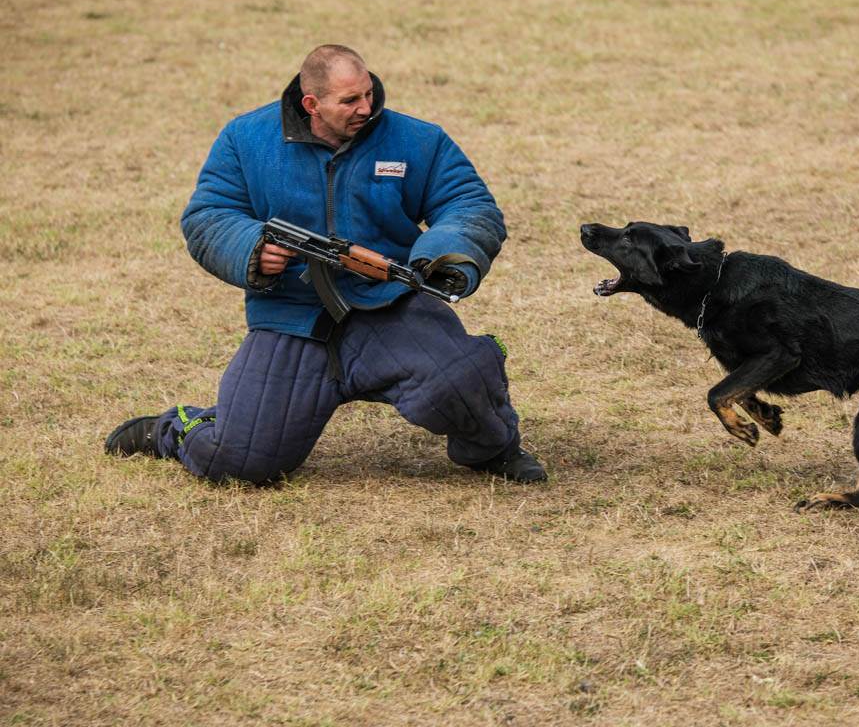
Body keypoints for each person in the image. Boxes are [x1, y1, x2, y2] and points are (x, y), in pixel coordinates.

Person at [104, 45, 546, 484]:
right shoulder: (246, 139)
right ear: (311, 103)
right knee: (240, 464)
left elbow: (468, 204)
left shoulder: (417, 140)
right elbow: (208, 216)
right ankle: (178, 427)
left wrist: (445, 254)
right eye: (350, 101)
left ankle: (495, 449)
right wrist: (252, 248)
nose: (366, 108)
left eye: (368, 94)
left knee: (459, 377)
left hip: (390, 305)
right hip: (292, 319)